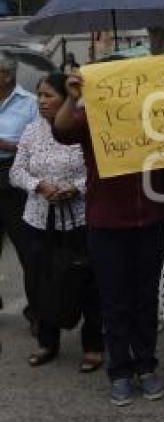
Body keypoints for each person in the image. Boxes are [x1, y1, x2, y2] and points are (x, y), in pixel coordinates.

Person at [53, 72, 164, 407]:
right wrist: (73, 96)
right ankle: (120, 371)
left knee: (145, 299)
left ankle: (146, 367)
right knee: (115, 301)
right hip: (106, 224)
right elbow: (61, 130)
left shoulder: (158, 116)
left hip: (152, 221)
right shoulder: (93, 118)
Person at [10, 73, 104, 371]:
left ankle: (93, 346)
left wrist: (74, 187)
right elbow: (16, 171)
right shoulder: (31, 132)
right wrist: (39, 185)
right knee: (42, 280)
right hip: (38, 220)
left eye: (49, 95)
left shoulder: (81, 127)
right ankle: (47, 343)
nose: (41, 101)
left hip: (79, 220)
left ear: (67, 99)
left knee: (88, 281)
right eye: (39, 95)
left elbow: (97, 171)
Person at [0, 53, 39, 325]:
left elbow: (41, 145)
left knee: (28, 250)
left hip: (15, 177)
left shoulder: (31, 104)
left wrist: (9, 146)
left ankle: (38, 312)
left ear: (6, 75)